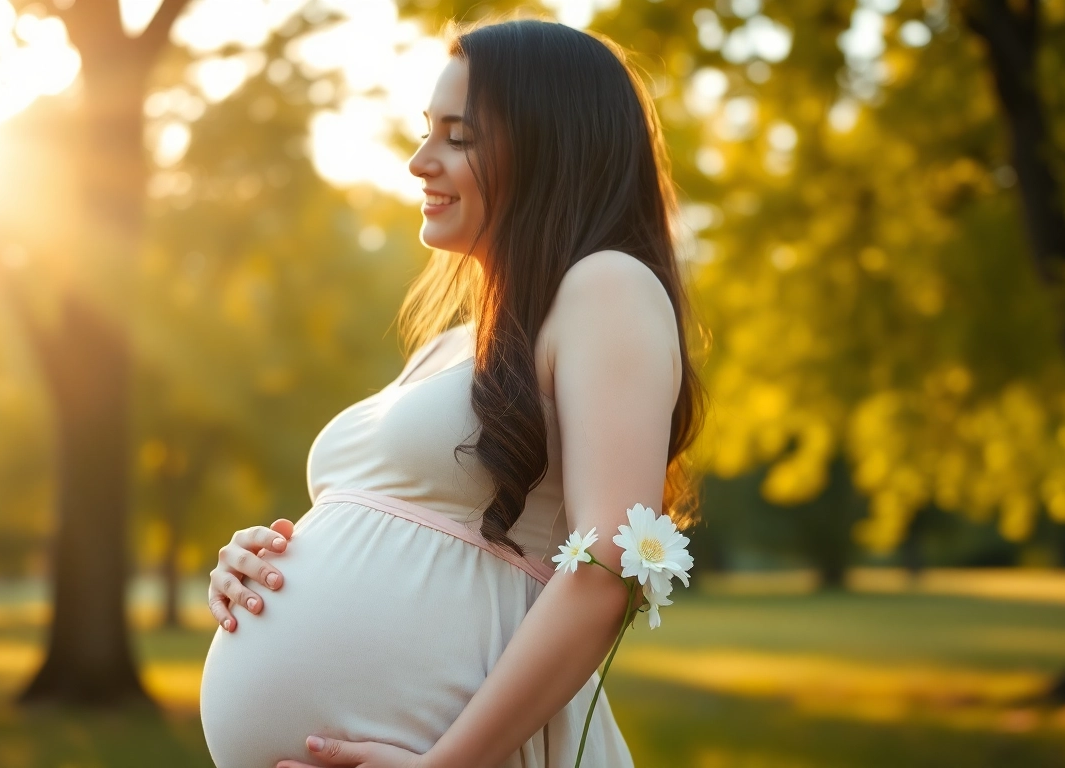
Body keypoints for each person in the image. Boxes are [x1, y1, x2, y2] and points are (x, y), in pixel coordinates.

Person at [197, 16, 706, 768]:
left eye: (457, 137)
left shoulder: (607, 286)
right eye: (424, 131)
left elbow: (611, 566)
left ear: (550, 147)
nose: (418, 162)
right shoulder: (455, 344)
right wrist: (251, 564)